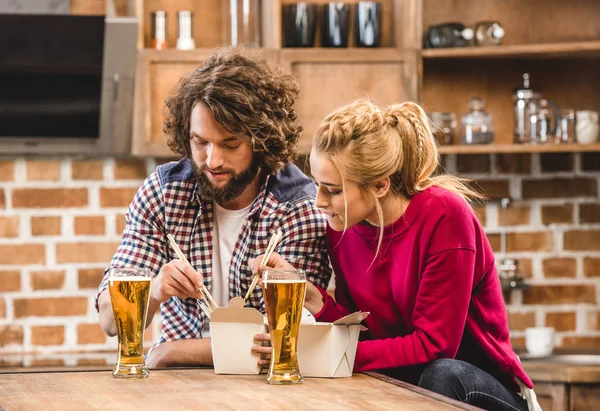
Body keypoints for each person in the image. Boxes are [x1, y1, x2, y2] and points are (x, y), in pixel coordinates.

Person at [253, 99, 540, 411]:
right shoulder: (341, 228)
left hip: (477, 390)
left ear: (379, 185)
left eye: (333, 190)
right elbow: (361, 331)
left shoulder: (445, 216)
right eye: (318, 186)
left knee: (443, 375)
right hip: (407, 388)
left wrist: (317, 354)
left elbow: (435, 347)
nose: (319, 202)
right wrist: (311, 298)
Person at [96, 48, 332, 368]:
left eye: (230, 144)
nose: (212, 160)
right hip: (180, 390)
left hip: (265, 391)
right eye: (200, 142)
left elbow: (282, 341)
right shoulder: (164, 194)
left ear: (260, 139)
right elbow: (110, 322)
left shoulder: (300, 208)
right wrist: (153, 290)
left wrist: (173, 351)